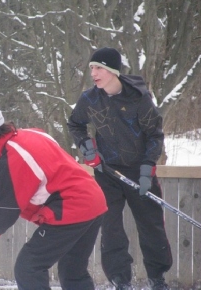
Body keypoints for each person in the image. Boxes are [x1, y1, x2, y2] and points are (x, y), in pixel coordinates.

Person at [0, 103, 108, 290]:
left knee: (28, 268)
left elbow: (4, 211)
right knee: (73, 270)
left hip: (72, 207)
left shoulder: (13, 157)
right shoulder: (32, 133)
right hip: (93, 200)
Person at [67, 47, 173, 290]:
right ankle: (120, 280)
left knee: (151, 225)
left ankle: (157, 278)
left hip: (139, 171)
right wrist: (87, 148)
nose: (93, 73)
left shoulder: (139, 98)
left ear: (113, 71)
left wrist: (148, 168)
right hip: (107, 172)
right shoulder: (90, 99)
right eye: (92, 68)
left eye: (99, 68)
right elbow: (75, 124)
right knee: (111, 228)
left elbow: (154, 135)